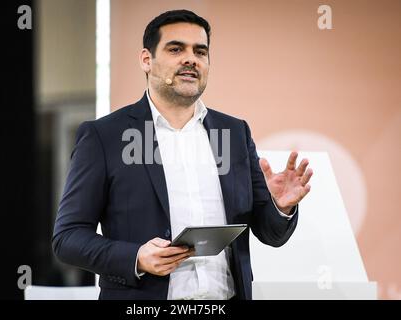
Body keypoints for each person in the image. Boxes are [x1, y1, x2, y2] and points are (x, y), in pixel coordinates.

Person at [52, 9, 313, 300]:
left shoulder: (234, 133)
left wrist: (279, 207)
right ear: (146, 60)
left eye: (200, 52)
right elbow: (68, 238)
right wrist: (136, 257)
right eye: (176, 49)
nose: (190, 59)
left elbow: (271, 234)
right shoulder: (105, 137)